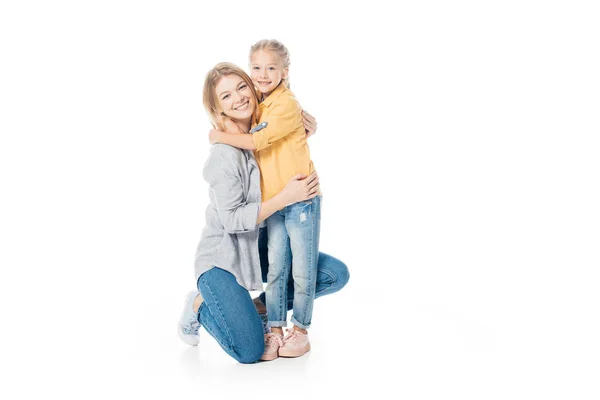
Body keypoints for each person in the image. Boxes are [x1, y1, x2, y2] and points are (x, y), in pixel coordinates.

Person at [178, 63, 349, 364]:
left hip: (260, 252)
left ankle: (257, 307)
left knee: (334, 274)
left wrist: (302, 129)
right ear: (219, 110)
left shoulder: (262, 132)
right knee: (250, 350)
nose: (239, 98)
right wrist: (286, 198)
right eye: (226, 96)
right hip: (223, 262)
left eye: (242, 87)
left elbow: (279, 131)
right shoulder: (223, 155)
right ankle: (200, 304)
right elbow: (232, 221)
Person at [209, 40, 321, 360]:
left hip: (301, 200)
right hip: (274, 202)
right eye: (256, 67)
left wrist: (216, 136)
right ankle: (274, 330)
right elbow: (245, 118)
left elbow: (258, 140)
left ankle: (299, 331)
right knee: (275, 270)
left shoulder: (285, 104)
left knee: (301, 270)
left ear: (285, 72)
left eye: (271, 68)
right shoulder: (260, 102)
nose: (262, 74)